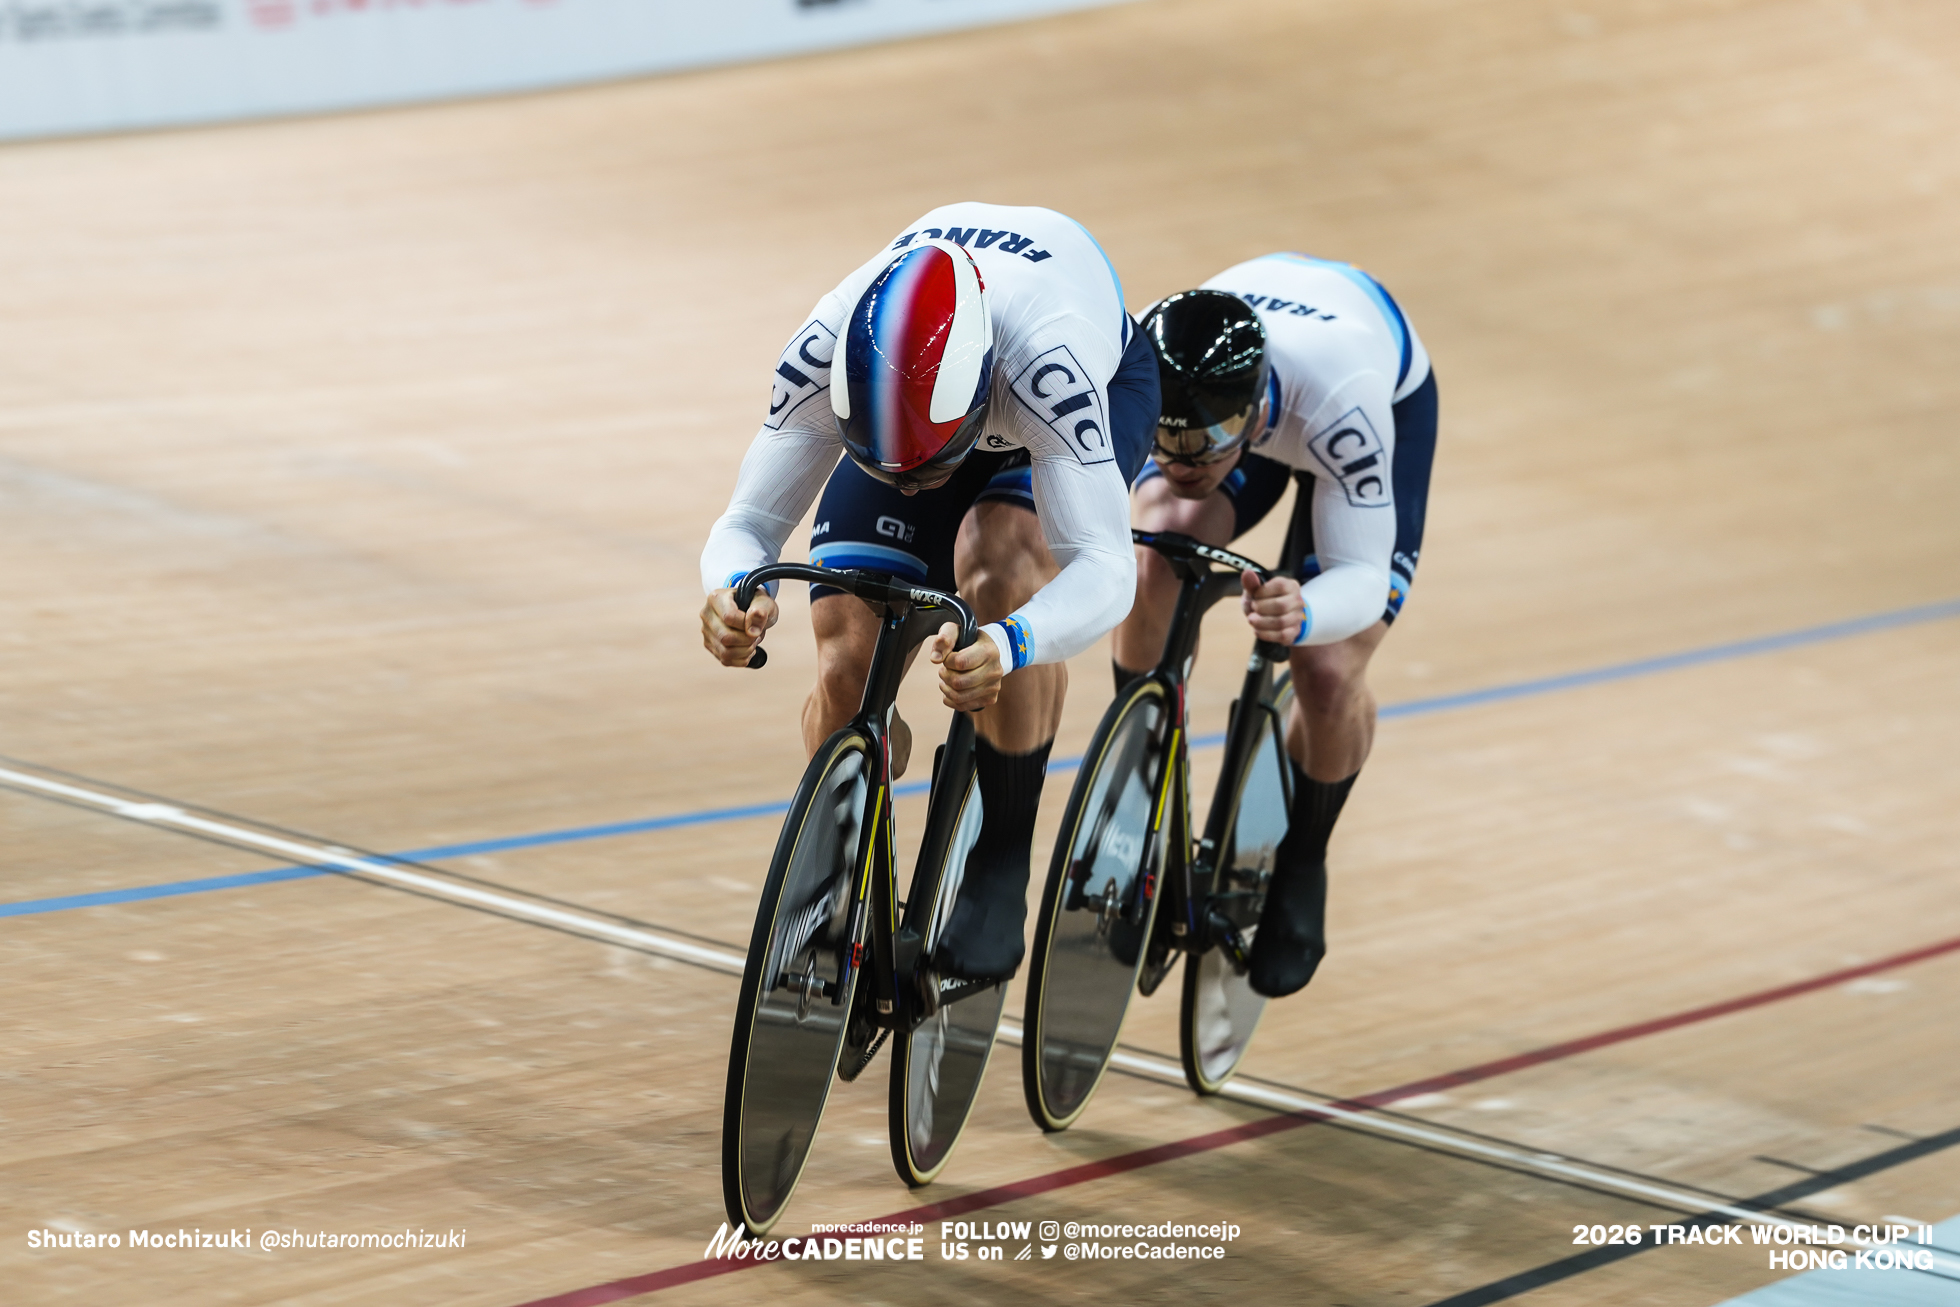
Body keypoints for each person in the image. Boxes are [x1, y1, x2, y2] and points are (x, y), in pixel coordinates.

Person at [699, 203, 1159, 982]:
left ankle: (1001, 857)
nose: (914, 487)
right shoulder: (823, 348)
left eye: (926, 468)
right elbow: (748, 521)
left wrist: (1012, 642)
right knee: (847, 651)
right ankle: (836, 871)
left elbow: (1107, 572)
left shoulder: (1051, 366)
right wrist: (729, 591)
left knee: (1001, 567)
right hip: (914, 418)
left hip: (1085, 396)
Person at [1111, 253, 1438, 999]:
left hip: (1363, 399)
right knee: (1152, 560)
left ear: (1255, 412)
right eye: (1166, 444)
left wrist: (1308, 610)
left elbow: (1359, 576)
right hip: (1230, 400)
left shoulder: (1342, 402)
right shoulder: (1141, 363)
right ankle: (1138, 784)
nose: (1180, 462)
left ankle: (1304, 857)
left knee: (1325, 668)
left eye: (1199, 449)